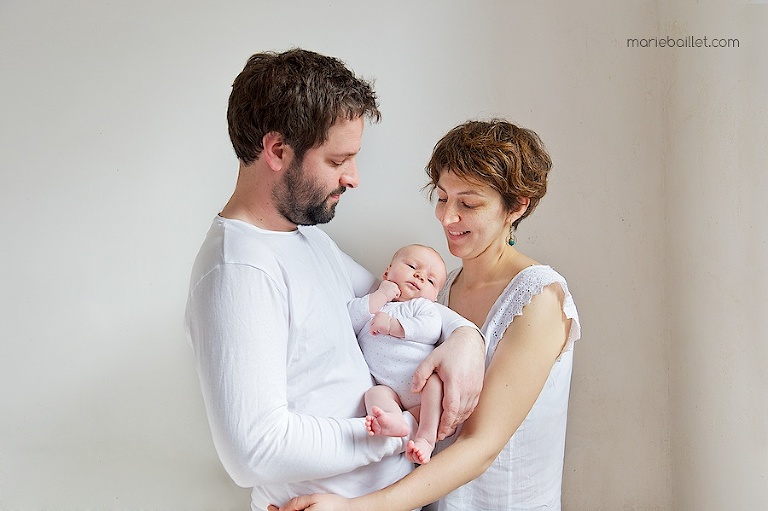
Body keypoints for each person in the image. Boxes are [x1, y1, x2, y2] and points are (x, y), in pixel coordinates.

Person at [184, 48, 485, 511]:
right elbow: (254, 450)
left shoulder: (305, 240)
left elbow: (398, 302)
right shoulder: (239, 271)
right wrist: (397, 429)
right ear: (278, 151)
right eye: (338, 160)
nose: (354, 178)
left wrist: (465, 338)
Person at [270, 119, 582, 511]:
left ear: (516, 207)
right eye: (441, 197)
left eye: (468, 204)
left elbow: (480, 446)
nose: (447, 217)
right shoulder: (441, 289)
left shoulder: (538, 299)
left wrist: (357, 507)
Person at [350, 244, 453, 465]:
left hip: (422, 383)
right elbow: (351, 318)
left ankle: (426, 439)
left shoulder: (422, 308)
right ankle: (394, 420)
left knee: (435, 384)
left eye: (431, 280)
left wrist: (394, 325)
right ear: (387, 272)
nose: (420, 276)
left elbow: (430, 328)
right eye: (413, 266)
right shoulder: (376, 303)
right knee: (375, 395)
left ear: (434, 297)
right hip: (390, 389)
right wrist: (381, 294)